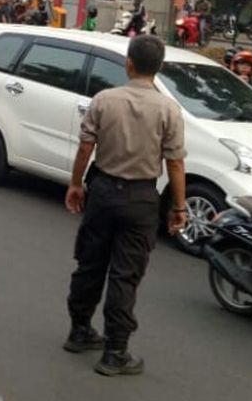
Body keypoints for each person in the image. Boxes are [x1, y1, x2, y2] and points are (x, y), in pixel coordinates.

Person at [64, 35, 187, 376]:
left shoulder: (104, 100)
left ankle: (79, 330)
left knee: (90, 264)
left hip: (101, 191)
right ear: (158, 68)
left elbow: (85, 149)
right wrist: (179, 207)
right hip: (141, 200)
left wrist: (76, 184)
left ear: (128, 63)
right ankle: (115, 351)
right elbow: (175, 164)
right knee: (124, 275)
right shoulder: (169, 109)